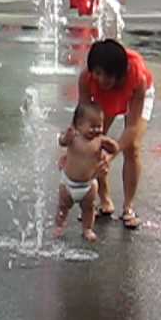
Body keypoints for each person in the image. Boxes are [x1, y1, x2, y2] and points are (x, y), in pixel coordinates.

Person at [78, 39, 155, 229]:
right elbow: (85, 119)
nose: (103, 80)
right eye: (98, 74)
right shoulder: (88, 79)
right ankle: (104, 200)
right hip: (108, 98)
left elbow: (132, 127)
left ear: (119, 75)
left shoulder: (138, 78)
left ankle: (128, 207)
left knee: (133, 147)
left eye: (108, 76)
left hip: (137, 94)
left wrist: (113, 154)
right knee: (95, 144)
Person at [55, 103, 119, 242]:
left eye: (99, 126)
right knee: (63, 207)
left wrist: (111, 144)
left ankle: (87, 229)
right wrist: (66, 137)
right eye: (92, 126)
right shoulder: (74, 137)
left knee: (89, 209)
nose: (97, 130)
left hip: (88, 185)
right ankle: (59, 226)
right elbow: (61, 142)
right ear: (78, 125)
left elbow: (115, 149)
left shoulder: (100, 140)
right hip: (68, 183)